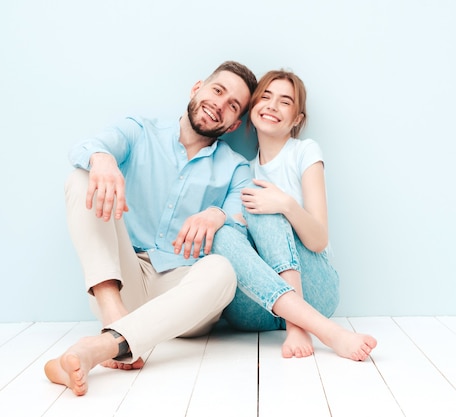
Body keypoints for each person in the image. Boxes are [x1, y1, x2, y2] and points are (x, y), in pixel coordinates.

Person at [44, 60, 258, 396]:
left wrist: (216, 214)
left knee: (224, 269)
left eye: (233, 105)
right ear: (196, 88)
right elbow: (83, 148)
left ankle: (102, 344)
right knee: (81, 176)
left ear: (233, 126)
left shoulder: (236, 168)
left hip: (182, 295)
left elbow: (241, 225)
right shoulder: (140, 130)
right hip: (120, 283)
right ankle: (115, 322)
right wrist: (103, 160)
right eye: (218, 90)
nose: (220, 104)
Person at [211, 70, 378, 359]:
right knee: (223, 233)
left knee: (267, 206)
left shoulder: (304, 152)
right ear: (252, 108)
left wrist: (286, 204)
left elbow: (318, 241)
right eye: (265, 97)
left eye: (285, 102)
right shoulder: (243, 170)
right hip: (260, 305)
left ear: (297, 119)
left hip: (316, 292)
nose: (272, 105)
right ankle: (297, 320)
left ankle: (305, 327)